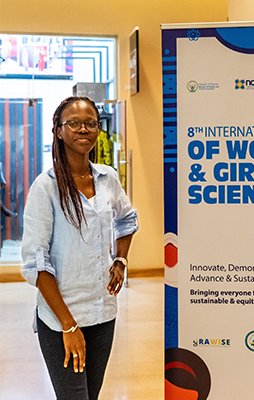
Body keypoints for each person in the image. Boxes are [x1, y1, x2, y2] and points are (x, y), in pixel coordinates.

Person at [21, 96, 138, 400]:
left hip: (103, 315)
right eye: (73, 123)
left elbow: (127, 220)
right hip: (62, 319)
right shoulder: (45, 188)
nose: (82, 129)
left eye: (90, 123)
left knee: (91, 396)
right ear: (59, 131)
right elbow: (37, 263)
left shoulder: (108, 178)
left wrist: (120, 260)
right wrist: (69, 327)